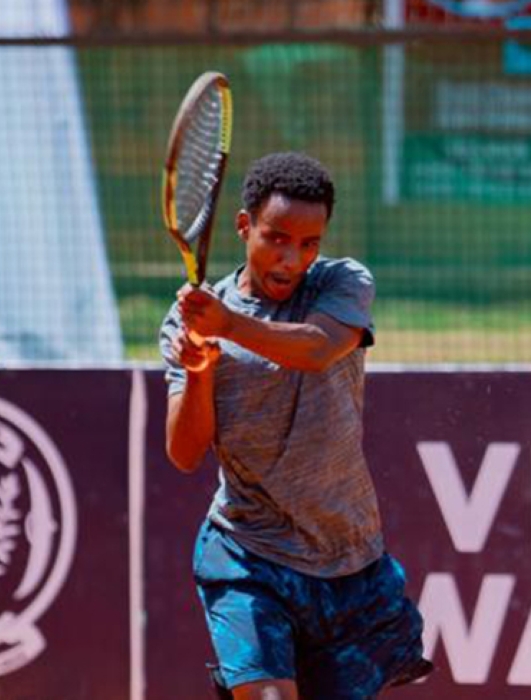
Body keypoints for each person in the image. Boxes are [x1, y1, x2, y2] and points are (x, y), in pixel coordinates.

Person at [160, 152, 432, 700]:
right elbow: (185, 452)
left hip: (349, 562)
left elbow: (319, 348)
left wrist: (231, 326)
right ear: (244, 227)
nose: (291, 258)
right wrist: (199, 372)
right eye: (276, 238)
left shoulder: (341, 283)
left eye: (309, 243)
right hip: (247, 552)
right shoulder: (188, 322)